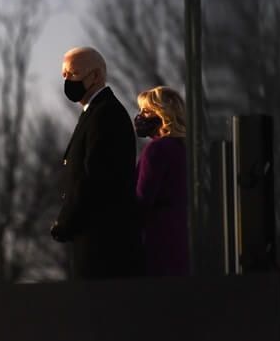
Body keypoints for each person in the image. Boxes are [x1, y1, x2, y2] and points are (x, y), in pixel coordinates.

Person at [50, 47, 142, 279]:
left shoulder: (106, 114)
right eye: (64, 75)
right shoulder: (95, 112)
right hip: (93, 239)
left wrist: (67, 220)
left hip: (103, 243)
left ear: (95, 76)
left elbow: (97, 177)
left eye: (73, 73)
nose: (68, 80)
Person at [134, 87, 190, 276]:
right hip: (182, 241)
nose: (140, 116)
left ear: (163, 114)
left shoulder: (157, 150)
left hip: (157, 242)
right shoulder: (185, 149)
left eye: (146, 111)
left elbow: (142, 199)